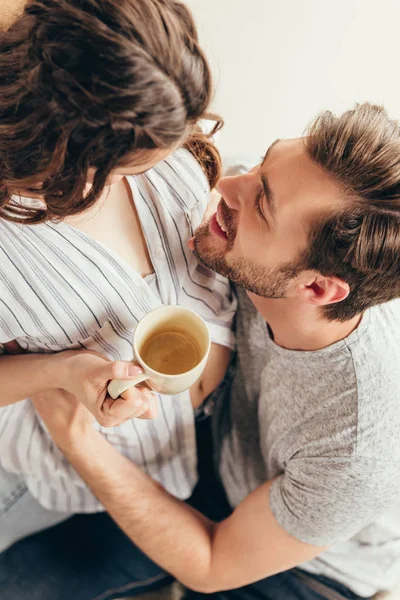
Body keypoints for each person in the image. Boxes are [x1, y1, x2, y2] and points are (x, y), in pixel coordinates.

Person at [3, 102, 400, 600]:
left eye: (261, 204)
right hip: (213, 455)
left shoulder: (358, 448)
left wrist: (76, 440)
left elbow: (212, 563)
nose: (227, 185)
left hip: (302, 569)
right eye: (262, 164)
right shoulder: (265, 255)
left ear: (318, 290)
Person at [0, 0, 236, 569]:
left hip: (209, 441)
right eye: (134, 166)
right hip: (70, 476)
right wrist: (64, 372)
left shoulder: (157, 123)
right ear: (66, 157)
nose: (171, 160)